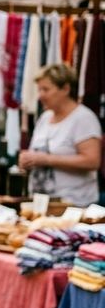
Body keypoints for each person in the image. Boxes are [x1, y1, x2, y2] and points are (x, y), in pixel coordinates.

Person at [19, 63, 102, 206]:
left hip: (74, 206)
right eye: (39, 90)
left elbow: (92, 161)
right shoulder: (45, 118)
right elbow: (37, 153)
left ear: (65, 89)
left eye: (46, 89)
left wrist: (47, 159)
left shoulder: (83, 118)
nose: (40, 96)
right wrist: (27, 160)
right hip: (41, 204)